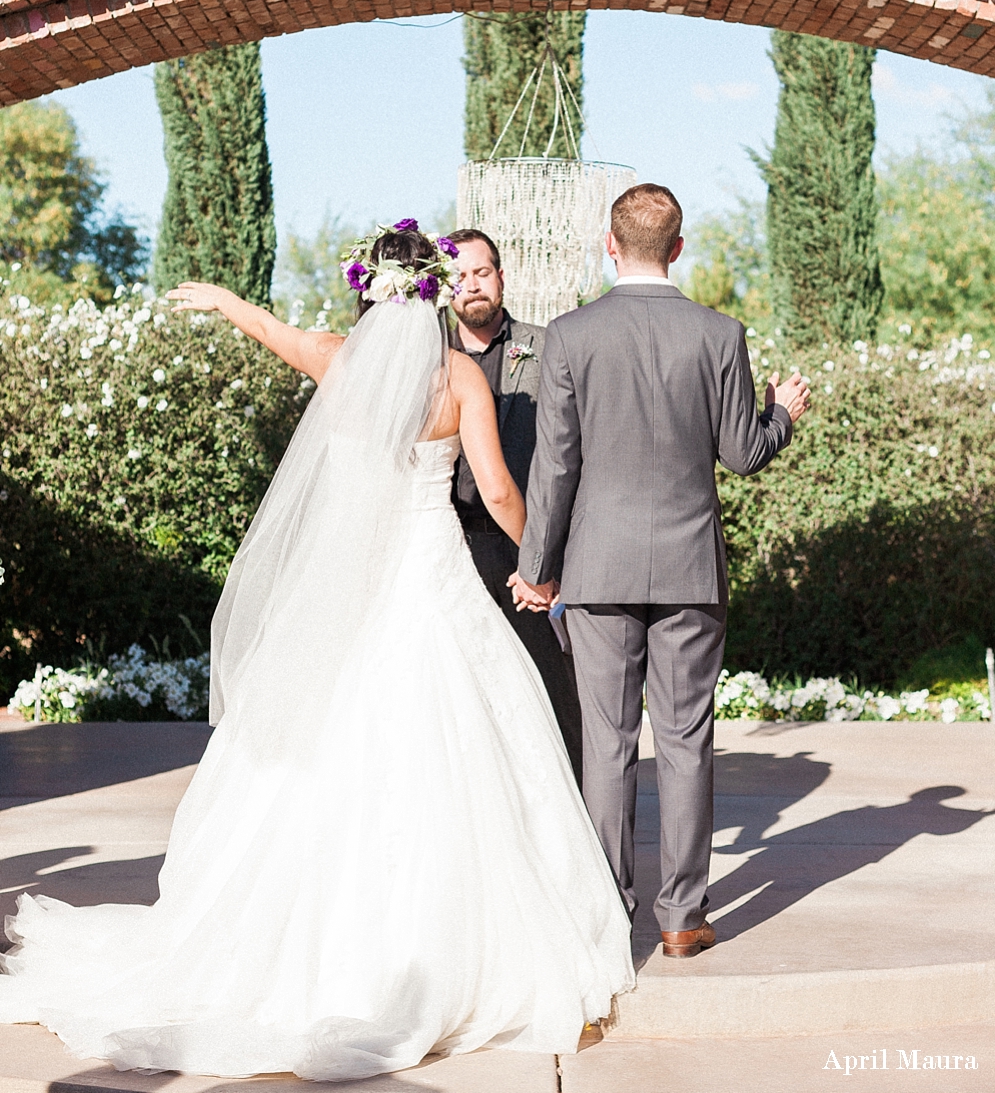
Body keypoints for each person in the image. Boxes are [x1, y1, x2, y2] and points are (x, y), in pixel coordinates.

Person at [0, 222, 634, 1080]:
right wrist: (541, 569)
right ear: (437, 293)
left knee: (335, 740)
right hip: (432, 569)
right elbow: (492, 487)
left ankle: (304, 942)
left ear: (367, 290)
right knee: (472, 739)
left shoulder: (337, 358)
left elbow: (271, 330)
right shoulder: (457, 378)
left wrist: (222, 300)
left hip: (360, 581)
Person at [510, 184, 809, 959]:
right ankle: (681, 918)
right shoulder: (718, 332)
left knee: (606, 744)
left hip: (597, 569)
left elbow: (555, 467)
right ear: (678, 247)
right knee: (685, 740)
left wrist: (537, 568)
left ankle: (609, 910)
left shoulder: (570, 336)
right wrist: (781, 412)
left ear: (609, 244)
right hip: (688, 571)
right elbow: (743, 452)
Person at [448, 228, 583, 780]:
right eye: (459, 275)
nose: (472, 285)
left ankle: (572, 802)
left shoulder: (549, 343)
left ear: (501, 277)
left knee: (553, 683)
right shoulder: (422, 350)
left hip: (528, 540)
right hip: (448, 541)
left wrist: (546, 557)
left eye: (482, 272)